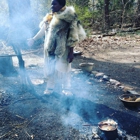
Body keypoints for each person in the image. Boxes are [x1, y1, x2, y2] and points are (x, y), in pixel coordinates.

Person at [27, 0, 86, 95]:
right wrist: (33, 39)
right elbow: (43, 30)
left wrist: (71, 52)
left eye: (54, 4)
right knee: (50, 67)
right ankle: (50, 87)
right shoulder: (49, 17)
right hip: (50, 49)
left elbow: (73, 36)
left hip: (63, 49)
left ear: (61, 5)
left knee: (64, 68)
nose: (52, 6)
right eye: (51, 4)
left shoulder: (69, 17)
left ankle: (66, 88)